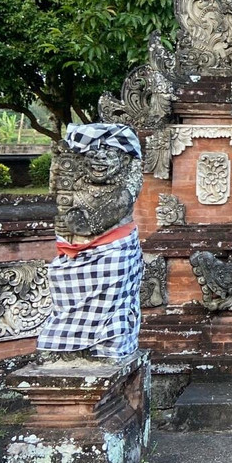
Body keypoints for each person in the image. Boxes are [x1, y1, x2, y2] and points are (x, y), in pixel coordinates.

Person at [37, 123, 144, 362]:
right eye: (93, 155)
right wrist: (60, 164)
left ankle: (108, 346)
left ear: (124, 162)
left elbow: (87, 224)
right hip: (72, 255)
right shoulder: (75, 183)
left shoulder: (124, 189)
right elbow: (61, 201)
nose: (100, 161)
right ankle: (66, 345)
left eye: (108, 155)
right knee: (66, 298)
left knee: (114, 304)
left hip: (113, 251)